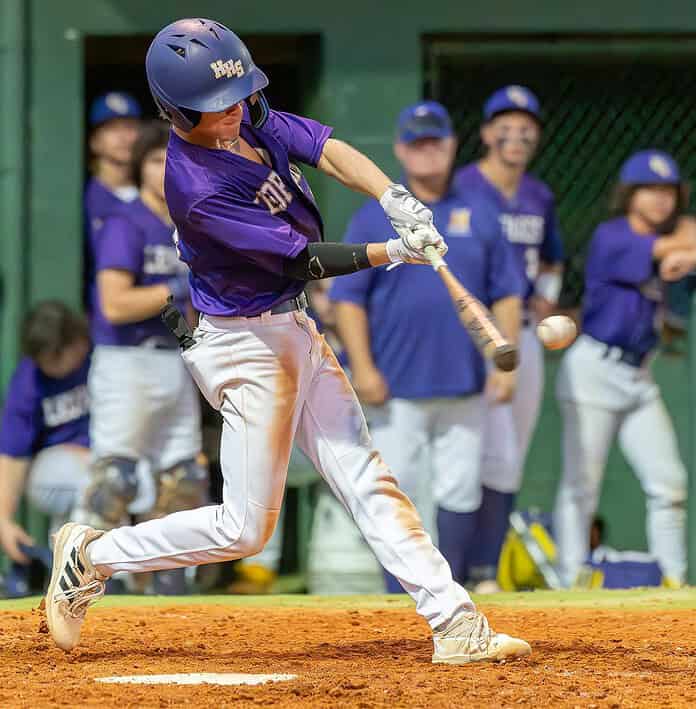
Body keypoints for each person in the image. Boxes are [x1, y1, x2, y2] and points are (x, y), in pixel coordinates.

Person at [46, 18, 530, 664]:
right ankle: (91, 553)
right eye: (210, 109)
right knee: (244, 528)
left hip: (293, 325)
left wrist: (392, 195)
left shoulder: (249, 112)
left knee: (364, 471)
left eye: (235, 98)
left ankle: (454, 621)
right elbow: (301, 259)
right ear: (174, 112)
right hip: (245, 345)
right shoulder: (194, 187)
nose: (228, 115)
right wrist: (394, 251)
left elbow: (325, 146)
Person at [329, 101, 523, 590]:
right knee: (399, 490)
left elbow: (506, 293)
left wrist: (504, 360)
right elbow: (349, 300)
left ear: (453, 145)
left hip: (463, 378)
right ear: (399, 149)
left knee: (459, 487)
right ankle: (403, 593)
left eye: (435, 141)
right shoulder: (376, 216)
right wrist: (364, 367)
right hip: (396, 381)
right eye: (417, 143)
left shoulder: (481, 211)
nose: (427, 151)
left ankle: (451, 590)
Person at [553, 149, 694, 588]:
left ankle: (674, 581)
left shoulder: (677, 238)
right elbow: (666, 249)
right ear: (630, 195)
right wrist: (685, 251)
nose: (660, 199)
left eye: (668, 191)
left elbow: (679, 248)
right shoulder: (613, 236)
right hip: (594, 369)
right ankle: (569, 578)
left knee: (670, 483)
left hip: (638, 377)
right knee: (582, 485)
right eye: (649, 190)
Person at [79, 119, 206, 595]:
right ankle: (86, 583)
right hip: (126, 361)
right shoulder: (126, 220)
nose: (165, 168)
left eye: (172, 159)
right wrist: (176, 290)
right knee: (116, 478)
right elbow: (114, 303)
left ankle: (169, 588)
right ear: (140, 167)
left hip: (176, 360)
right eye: (155, 160)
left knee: (183, 480)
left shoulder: (190, 225)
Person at [453, 86, 564, 592]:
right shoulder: (463, 188)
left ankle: (485, 572)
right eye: (506, 123)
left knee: (508, 455)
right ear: (486, 133)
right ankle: (450, 569)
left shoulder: (540, 195)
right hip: (468, 333)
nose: (516, 133)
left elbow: (553, 256)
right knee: (462, 452)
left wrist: (546, 293)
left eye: (526, 125)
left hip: (521, 333)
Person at [0, 302, 91, 563]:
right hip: (56, 467)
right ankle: (83, 568)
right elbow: (13, 454)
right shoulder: (30, 379)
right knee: (97, 482)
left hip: (109, 459)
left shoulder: (100, 354)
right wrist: (4, 520)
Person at [84, 92, 142, 308]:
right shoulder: (86, 197)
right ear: (94, 142)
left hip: (160, 313)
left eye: (129, 127)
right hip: (104, 318)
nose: (123, 137)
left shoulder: (156, 196)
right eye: (111, 129)